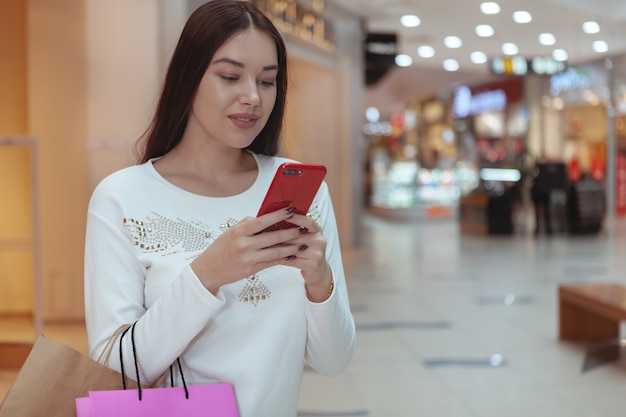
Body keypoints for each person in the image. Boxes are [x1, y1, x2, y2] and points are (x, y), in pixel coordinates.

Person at [83, 1, 356, 416]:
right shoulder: (122, 197)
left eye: (267, 81)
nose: (251, 97)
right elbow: (114, 368)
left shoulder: (302, 190)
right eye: (230, 76)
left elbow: (333, 361)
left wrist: (321, 283)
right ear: (188, 78)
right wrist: (207, 275)